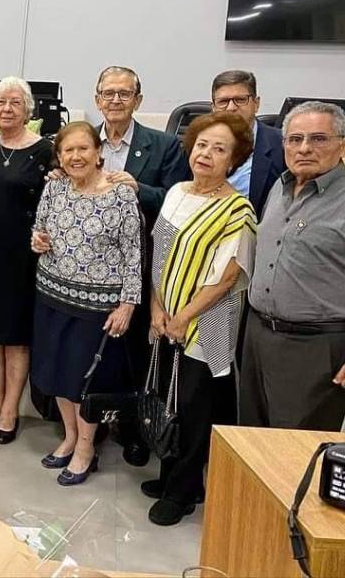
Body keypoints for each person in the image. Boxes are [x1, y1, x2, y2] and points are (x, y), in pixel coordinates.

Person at [144, 112, 257, 526]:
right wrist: (157, 309)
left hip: (208, 324)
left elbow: (226, 278)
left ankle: (185, 490)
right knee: (169, 398)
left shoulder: (238, 211)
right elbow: (159, 255)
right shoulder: (176, 191)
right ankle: (169, 475)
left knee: (195, 407)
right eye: (202, 145)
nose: (206, 154)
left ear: (234, 160)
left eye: (219, 149)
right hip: (166, 315)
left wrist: (184, 317)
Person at [241, 101, 345, 431]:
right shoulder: (280, 187)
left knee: (295, 448)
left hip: (316, 347)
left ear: (344, 145)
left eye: (318, 139)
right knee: (252, 438)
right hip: (259, 336)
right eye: (295, 139)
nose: (304, 148)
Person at [30, 121, 141, 485]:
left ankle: (85, 448)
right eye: (68, 151)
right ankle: (69, 437)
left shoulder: (121, 195)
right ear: (59, 156)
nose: (75, 156)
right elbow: (39, 229)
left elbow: (133, 254)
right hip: (52, 295)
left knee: (84, 382)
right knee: (58, 375)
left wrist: (128, 304)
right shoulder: (54, 187)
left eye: (83, 149)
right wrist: (38, 241)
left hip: (96, 308)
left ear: (98, 152)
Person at [94, 65, 189, 467]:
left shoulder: (164, 145)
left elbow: (179, 200)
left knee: (133, 351)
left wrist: (140, 188)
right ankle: (93, 423)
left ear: (138, 100)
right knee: (94, 348)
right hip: (92, 270)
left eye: (124, 93)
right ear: (97, 99)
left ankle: (134, 430)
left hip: (143, 263)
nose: (116, 100)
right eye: (108, 93)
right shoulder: (85, 142)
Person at [0, 77, 53, 444]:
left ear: (28, 110)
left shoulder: (46, 150)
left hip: (23, 257)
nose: (7, 109)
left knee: (16, 337)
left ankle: (10, 410)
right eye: (1, 102)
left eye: (15, 103)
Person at [210, 70, 284, 215]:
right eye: (223, 102)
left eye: (240, 99)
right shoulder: (199, 144)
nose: (231, 108)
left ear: (256, 103)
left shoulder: (282, 144)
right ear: (213, 108)